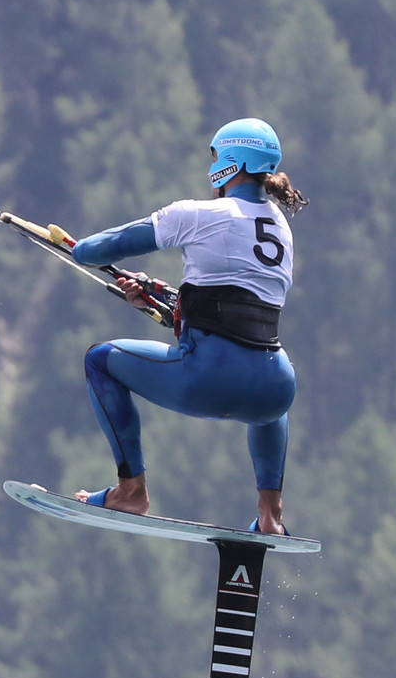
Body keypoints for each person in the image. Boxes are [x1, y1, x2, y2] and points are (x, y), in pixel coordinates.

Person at [67, 118, 308, 535]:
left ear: (229, 162)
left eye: (214, 158)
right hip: (275, 390)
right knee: (267, 383)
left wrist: (78, 247)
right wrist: (163, 296)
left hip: (207, 378)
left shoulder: (196, 214)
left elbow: (92, 250)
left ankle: (131, 491)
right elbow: (238, 308)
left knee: (100, 360)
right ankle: (271, 515)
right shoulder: (281, 229)